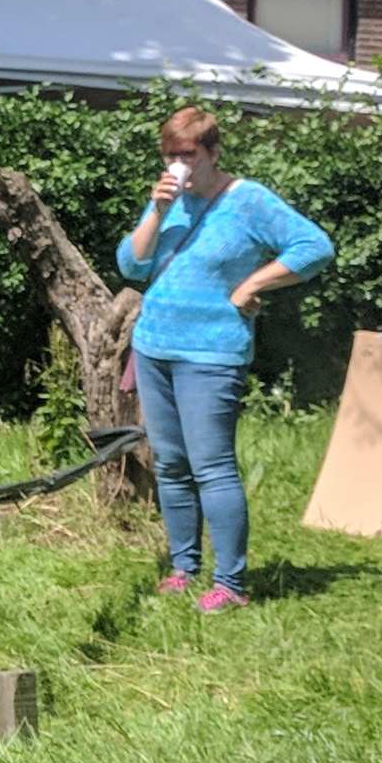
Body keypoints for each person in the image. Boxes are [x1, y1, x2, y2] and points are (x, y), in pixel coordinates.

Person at [114, 104, 334, 610]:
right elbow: (131, 263)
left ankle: (230, 585)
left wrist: (254, 282)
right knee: (170, 464)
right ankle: (183, 568)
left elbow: (314, 246)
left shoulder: (248, 200)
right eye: (170, 155)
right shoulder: (169, 201)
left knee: (212, 466)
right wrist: (159, 211)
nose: (179, 165)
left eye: (188, 155)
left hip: (211, 354)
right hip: (153, 347)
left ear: (213, 152)